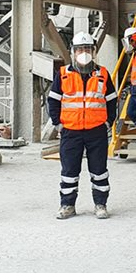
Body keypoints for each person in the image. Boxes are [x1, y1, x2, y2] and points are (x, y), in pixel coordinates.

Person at [47, 32, 117, 219]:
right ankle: (67, 205)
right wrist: (58, 124)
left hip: (96, 132)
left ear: (93, 51)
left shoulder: (102, 74)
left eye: (87, 49)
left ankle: (100, 204)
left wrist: (109, 122)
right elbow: (53, 101)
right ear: (73, 52)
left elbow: (112, 100)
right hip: (71, 132)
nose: (83, 52)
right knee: (69, 172)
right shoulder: (63, 75)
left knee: (99, 171)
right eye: (80, 49)